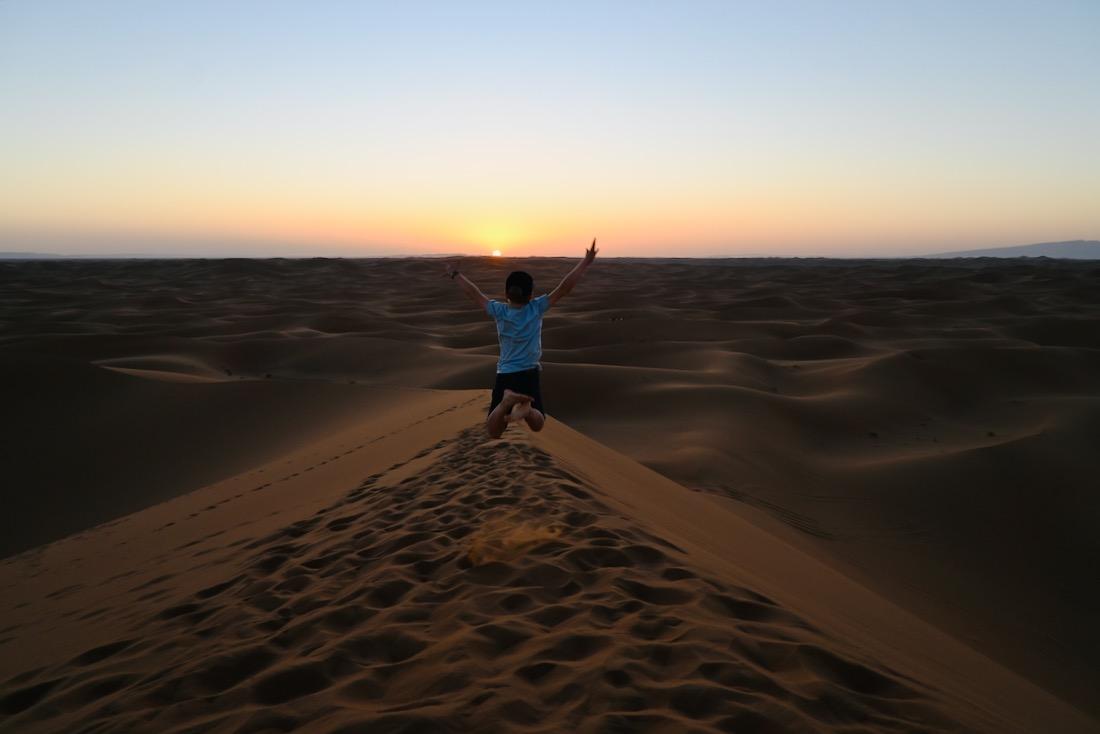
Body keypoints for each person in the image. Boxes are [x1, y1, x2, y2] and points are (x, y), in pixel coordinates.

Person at [445, 239, 598, 439]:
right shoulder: (536, 307)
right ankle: (526, 410)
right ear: (531, 294)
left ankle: (505, 403)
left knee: (494, 431)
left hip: (505, 374)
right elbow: (564, 288)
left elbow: (474, 294)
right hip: (529, 373)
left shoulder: (499, 310)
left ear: (505, 293)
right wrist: (585, 262)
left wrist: (455, 275)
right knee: (538, 423)